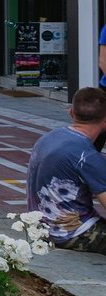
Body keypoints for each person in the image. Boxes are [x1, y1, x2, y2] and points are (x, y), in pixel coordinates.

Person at [27, 87, 106, 253]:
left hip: (40, 228)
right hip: (71, 234)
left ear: (71, 112)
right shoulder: (87, 155)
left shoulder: (48, 138)